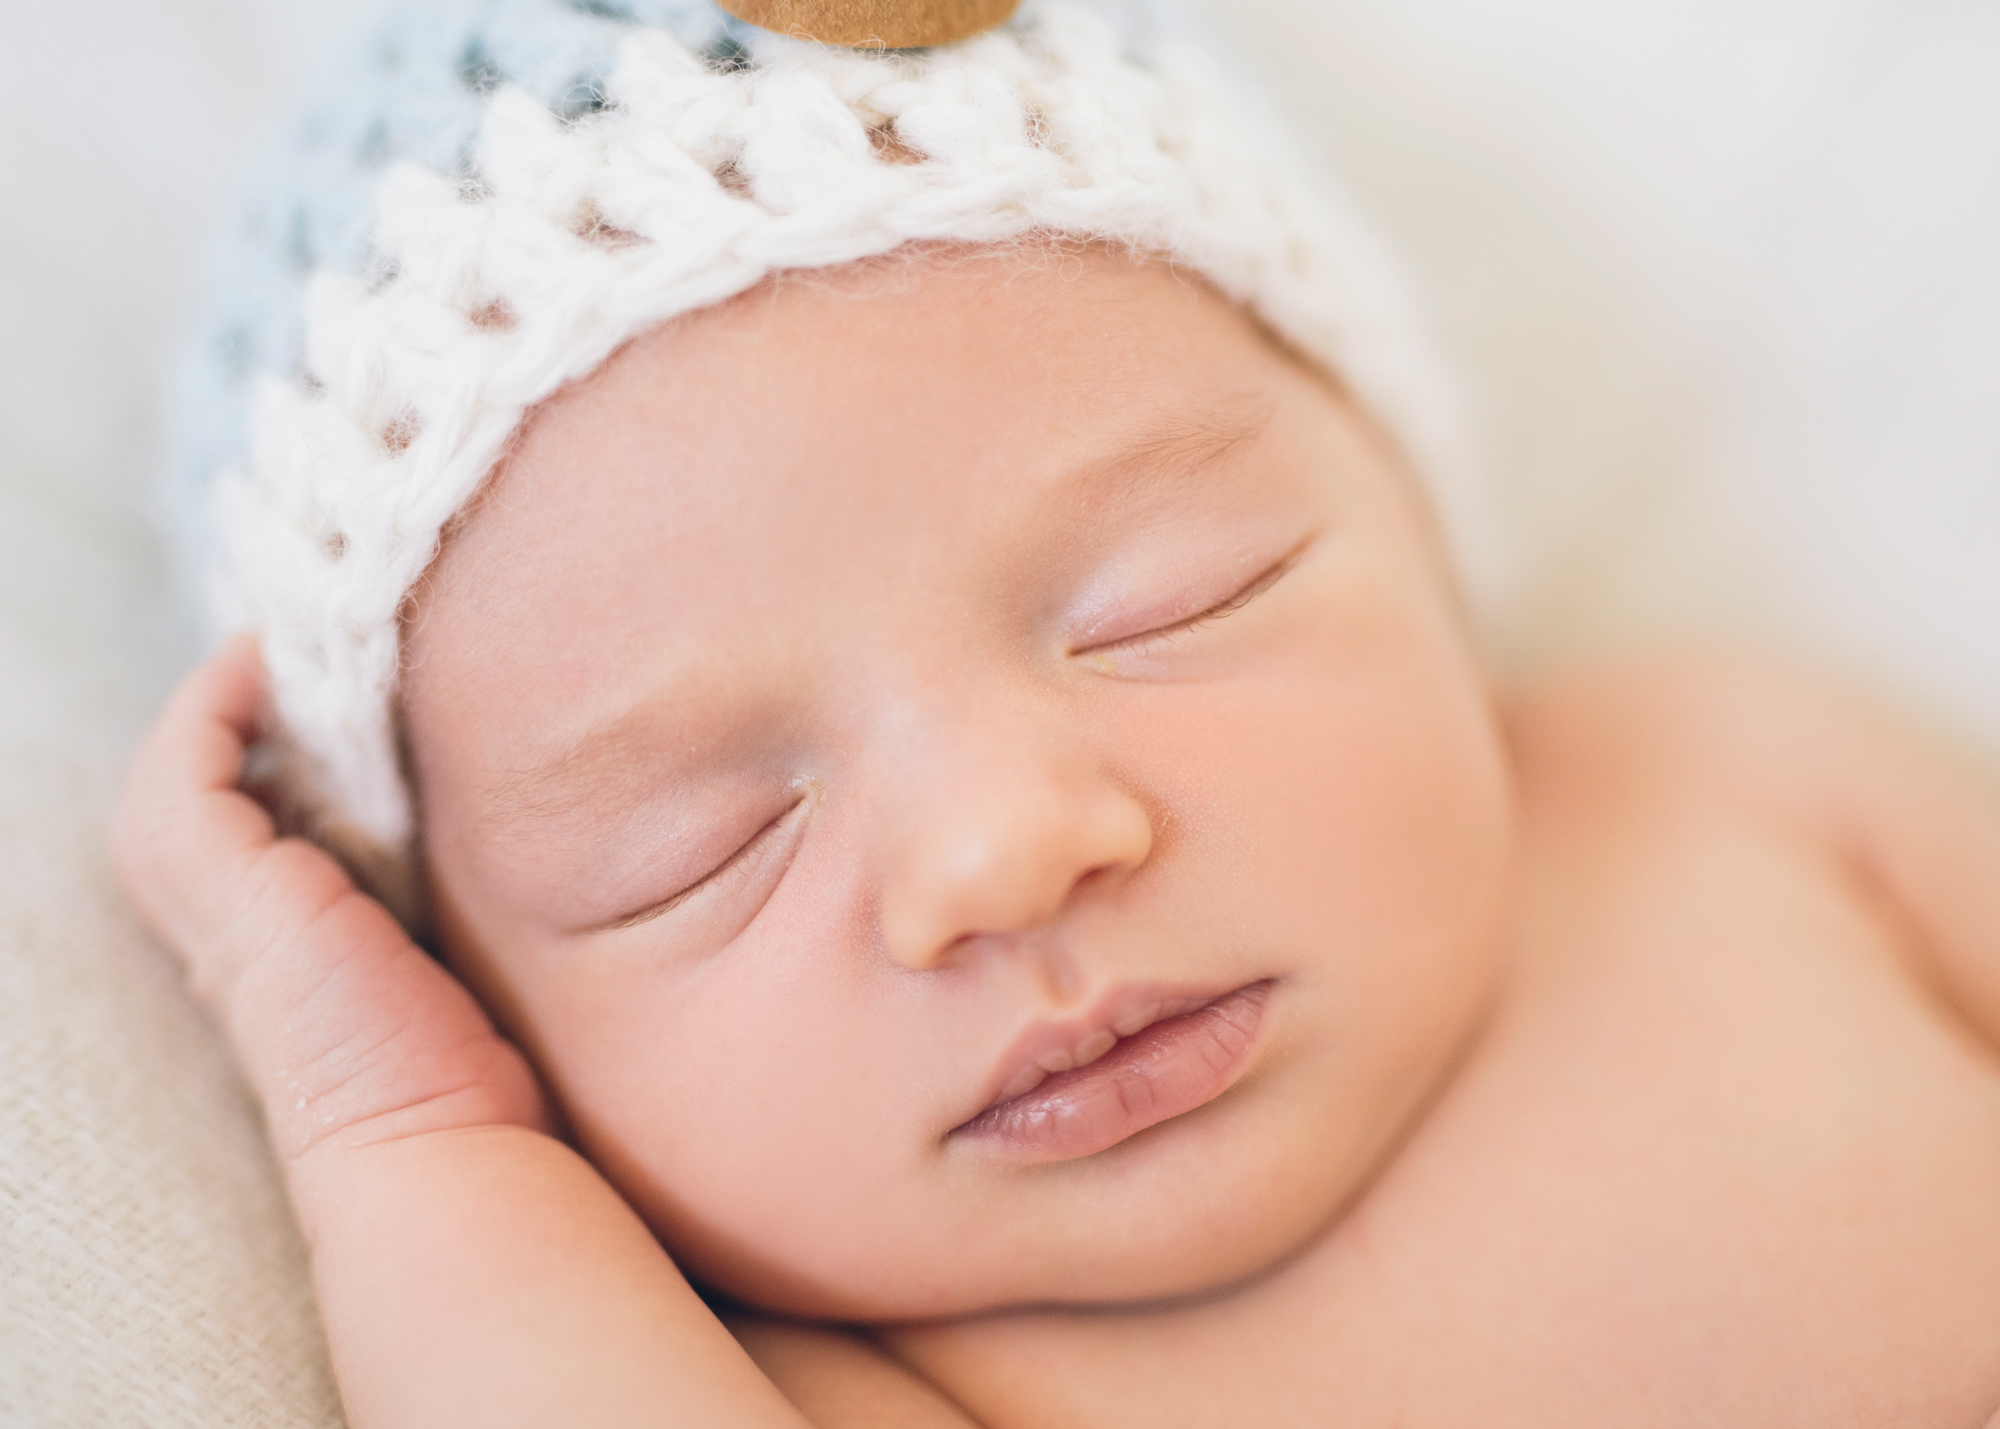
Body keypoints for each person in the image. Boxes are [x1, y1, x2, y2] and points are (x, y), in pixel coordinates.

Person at [115, 0, 2000, 1421]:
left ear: (1413, 515)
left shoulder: (1730, 783)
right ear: (484, 982)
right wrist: (403, 1128)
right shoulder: (870, 1374)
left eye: (1167, 607)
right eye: (700, 852)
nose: (1003, 853)